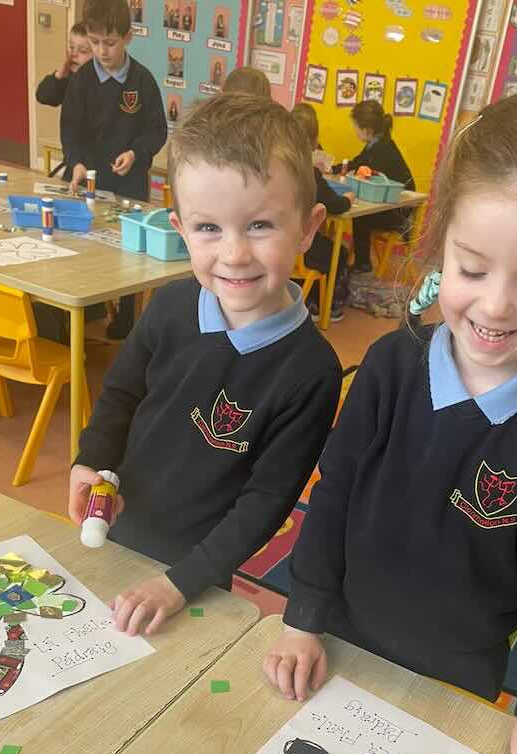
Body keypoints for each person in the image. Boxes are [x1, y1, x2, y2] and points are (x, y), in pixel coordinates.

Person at [264, 94, 517, 754]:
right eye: (471, 269)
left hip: (461, 671)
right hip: (339, 633)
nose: (495, 307)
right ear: (441, 245)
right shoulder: (388, 366)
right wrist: (304, 616)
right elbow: (333, 494)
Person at [69, 92, 342, 635]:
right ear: (180, 228)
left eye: (260, 225)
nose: (234, 254)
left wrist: (180, 582)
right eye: (208, 228)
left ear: (308, 228)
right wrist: (89, 461)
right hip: (116, 532)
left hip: (198, 576)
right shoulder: (170, 306)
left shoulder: (312, 370)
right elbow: (121, 395)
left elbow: (265, 504)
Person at [65, 0, 166, 338]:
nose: (101, 51)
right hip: (88, 180)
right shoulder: (82, 80)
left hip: (129, 183)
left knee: (129, 252)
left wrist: (136, 153)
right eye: (94, 42)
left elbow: (156, 130)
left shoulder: (142, 80)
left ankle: (126, 313)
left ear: (128, 37)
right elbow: (71, 128)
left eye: (109, 43)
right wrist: (76, 162)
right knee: (85, 245)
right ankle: (91, 304)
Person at [292, 102, 355, 323]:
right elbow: (336, 205)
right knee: (340, 252)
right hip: (301, 251)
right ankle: (325, 307)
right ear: (314, 141)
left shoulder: (278, 167)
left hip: (281, 243)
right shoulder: (310, 174)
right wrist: (348, 199)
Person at [339, 99, 414, 273]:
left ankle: (363, 263)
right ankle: (362, 261)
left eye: (356, 127)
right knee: (360, 215)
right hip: (389, 202)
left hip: (399, 211)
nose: (355, 131)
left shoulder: (383, 148)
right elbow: (359, 162)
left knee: (361, 216)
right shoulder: (375, 144)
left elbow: (367, 170)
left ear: (367, 130)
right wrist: (335, 168)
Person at [35, 23, 93, 181]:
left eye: (83, 51)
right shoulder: (70, 78)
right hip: (74, 163)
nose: (74, 54)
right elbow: (43, 96)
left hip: (97, 167)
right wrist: (61, 74)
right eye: (71, 47)